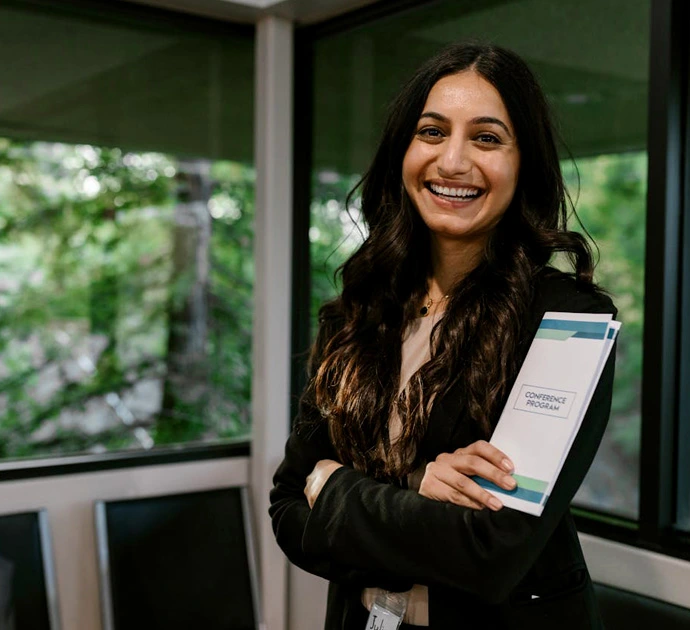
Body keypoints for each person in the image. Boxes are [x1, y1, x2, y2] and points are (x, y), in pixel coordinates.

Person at [270, 42, 616, 629]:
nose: (452, 162)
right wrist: (415, 485)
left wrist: (335, 489)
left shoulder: (566, 324)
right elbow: (285, 509)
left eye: (486, 138)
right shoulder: (360, 309)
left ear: (523, 161)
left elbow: (491, 550)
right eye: (432, 132)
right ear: (403, 150)